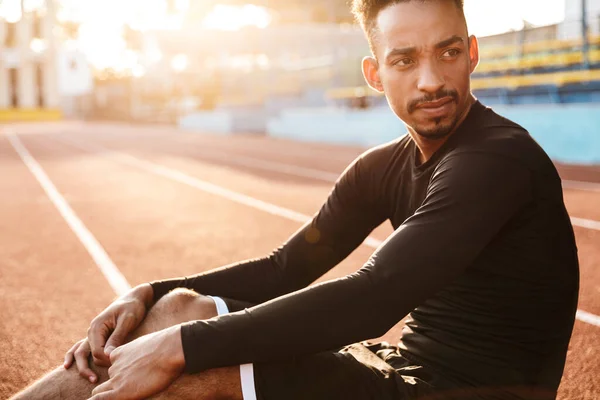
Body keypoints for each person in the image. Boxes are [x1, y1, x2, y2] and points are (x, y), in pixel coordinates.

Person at [11, 0, 579, 399]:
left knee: (188, 370)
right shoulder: (381, 168)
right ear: (375, 74)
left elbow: (375, 298)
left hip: (471, 393)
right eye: (405, 59)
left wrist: (176, 350)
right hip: (399, 371)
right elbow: (288, 267)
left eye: (448, 52)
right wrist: (151, 293)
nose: (431, 79)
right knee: (179, 309)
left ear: (473, 53)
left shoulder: (495, 160)